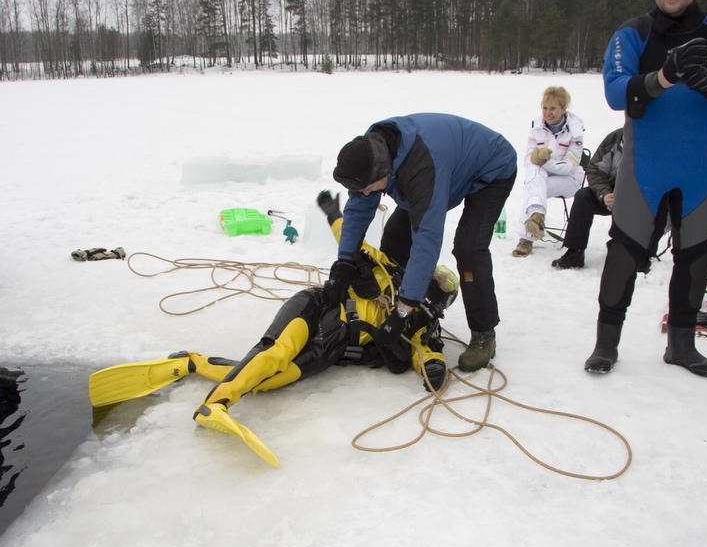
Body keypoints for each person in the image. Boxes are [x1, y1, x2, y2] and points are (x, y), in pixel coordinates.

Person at [88, 191, 459, 466]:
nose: (433, 286)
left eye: (442, 289)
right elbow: (350, 238)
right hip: (317, 307)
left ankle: (192, 364)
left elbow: (427, 356)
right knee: (274, 353)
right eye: (436, 278)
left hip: (331, 348)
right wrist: (333, 213)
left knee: (269, 379)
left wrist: (434, 367)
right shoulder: (386, 270)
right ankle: (216, 404)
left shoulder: (420, 328)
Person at [584, 0, 707, 377]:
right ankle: (605, 344)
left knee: (696, 257)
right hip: (645, 170)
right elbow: (614, 91)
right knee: (623, 255)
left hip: (700, 173)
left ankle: (682, 346)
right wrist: (663, 77)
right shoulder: (634, 32)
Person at [330, 113, 517, 373]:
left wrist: (404, 309)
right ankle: (406, 301)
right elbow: (359, 209)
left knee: (468, 248)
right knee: (396, 238)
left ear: (384, 171)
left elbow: (427, 238)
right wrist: (345, 261)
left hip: (490, 168)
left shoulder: (421, 168)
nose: (364, 194)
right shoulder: (371, 154)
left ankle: (484, 333)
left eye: (367, 188)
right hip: (440, 168)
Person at [512, 86, 585, 258]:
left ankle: (526, 239)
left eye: (553, 108)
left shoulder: (575, 130)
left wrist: (545, 161)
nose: (548, 113)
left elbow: (569, 166)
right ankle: (536, 217)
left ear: (563, 108)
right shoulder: (536, 127)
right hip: (543, 178)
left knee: (533, 184)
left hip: (570, 180)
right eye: (545, 108)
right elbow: (528, 160)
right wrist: (537, 161)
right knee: (534, 178)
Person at [552, 128, 623, 269]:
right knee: (583, 196)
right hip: (609, 192)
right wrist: (604, 193)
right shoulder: (616, 137)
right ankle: (575, 251)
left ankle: (632, 254)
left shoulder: (656, 142)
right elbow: (595, 168)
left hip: (639, 197)